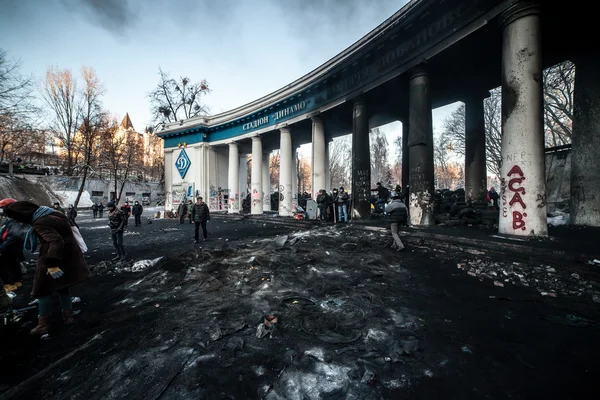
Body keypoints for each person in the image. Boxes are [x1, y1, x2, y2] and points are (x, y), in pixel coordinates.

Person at [2, 200, 91, 335]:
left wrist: (51, 264)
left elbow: (55, 241)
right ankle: (68, 317)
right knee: (63, 287)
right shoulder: (52, 213)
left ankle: (43, 324)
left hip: (52, 257)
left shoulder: (40, 222)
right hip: (67, 255)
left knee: (41, 290)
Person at [0, 198, 25, 292]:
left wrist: (2, 248)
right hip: (8, 246)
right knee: (13, 264)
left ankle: (10, 284)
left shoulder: (17, 220)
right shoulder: (8, 220)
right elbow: (3, 232)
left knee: (6, 265)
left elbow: (14, 237)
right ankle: (15, 282)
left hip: (11, 248)